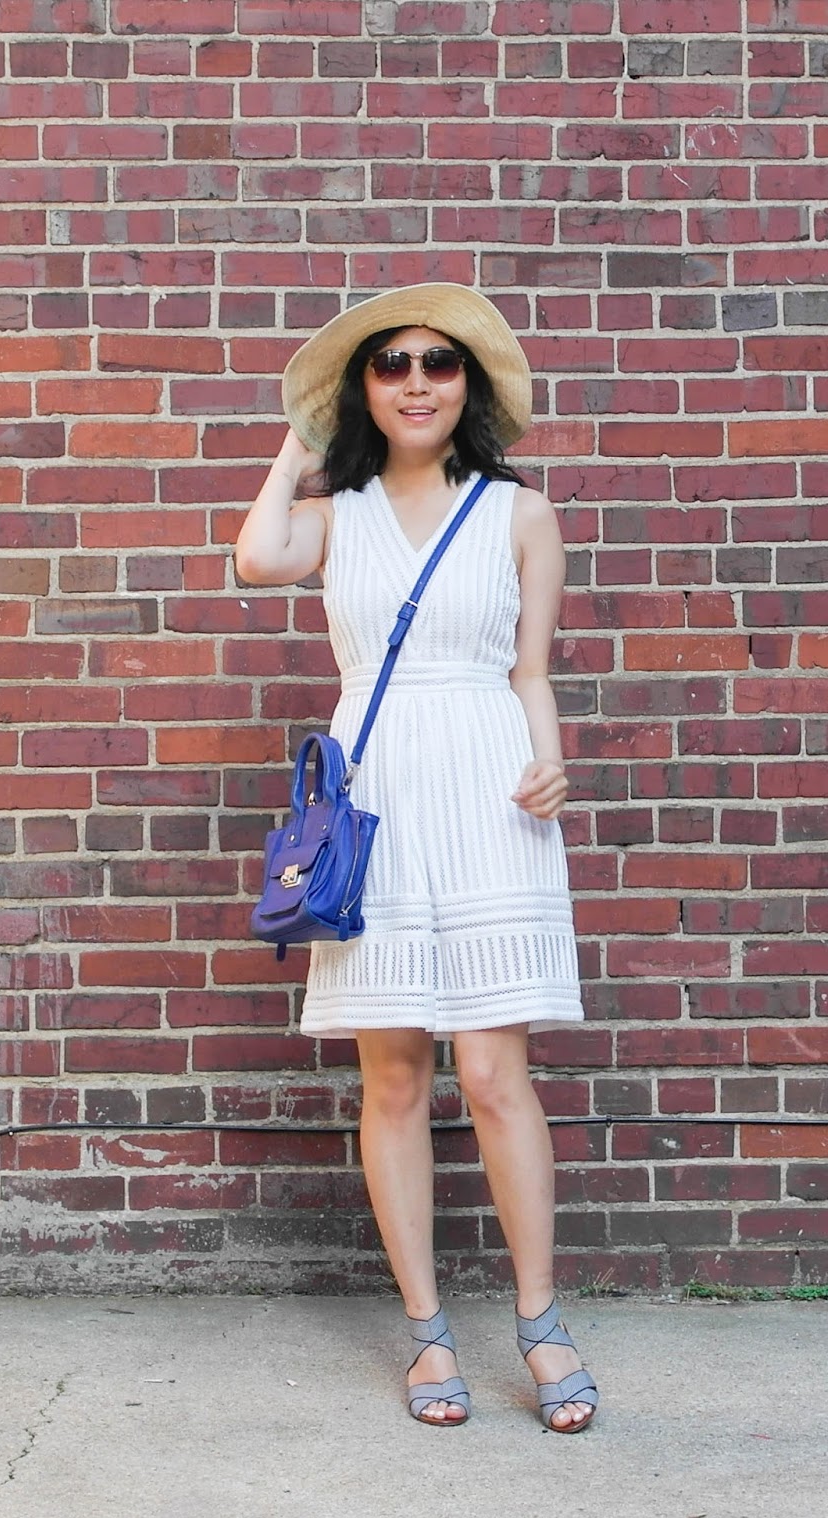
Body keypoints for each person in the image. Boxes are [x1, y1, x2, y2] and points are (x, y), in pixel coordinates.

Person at [234, 283, 598, 1433]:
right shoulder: (335, 514)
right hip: (380, 793)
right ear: (364, 389)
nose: (415, 381)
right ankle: (429, 1334)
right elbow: (257, 557)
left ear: (467, 383)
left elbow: (529, 672)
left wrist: (551, 764)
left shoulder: (519, 514)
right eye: (388, 364)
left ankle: (540, 1322)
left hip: (491, 792)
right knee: (393, 1076)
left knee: (493, 1074)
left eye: (438, 362)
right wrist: (300, 440)